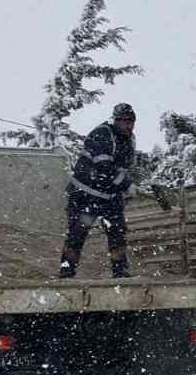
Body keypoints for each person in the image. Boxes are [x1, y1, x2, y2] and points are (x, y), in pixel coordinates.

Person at [59, 103, 138, 279]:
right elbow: (104, 167)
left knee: (117, 234)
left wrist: (130, 185)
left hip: (109, 197)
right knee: (77, 235)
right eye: (124, 121)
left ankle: (120, 272)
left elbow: (123, 169)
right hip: (85, 195)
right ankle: (66, 271)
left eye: (131, 121)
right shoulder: (102, 134)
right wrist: (126, 185)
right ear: (115, 120)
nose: (128, 125)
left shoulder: (129, 140)